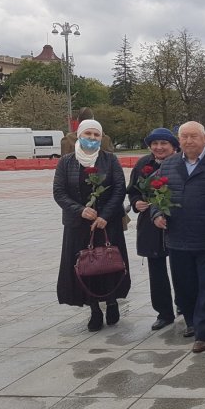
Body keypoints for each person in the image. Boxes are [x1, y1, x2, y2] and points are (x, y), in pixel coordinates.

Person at [153, 121, 205, 353]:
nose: (188, 141)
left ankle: (204, 332)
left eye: (194, 136)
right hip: (177, 237)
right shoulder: (168, 165)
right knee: (184, 286)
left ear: (204, 137)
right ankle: (193, 321)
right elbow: (156, 194)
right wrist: (156, 213)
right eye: (184, 136)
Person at [53, 119, 130, 331]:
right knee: (85, 266)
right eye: (88, 134)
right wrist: (80, 210)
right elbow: (59, 192)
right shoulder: (66, 162)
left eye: (96, 135)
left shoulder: (110, 160)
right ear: (79, 135)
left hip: (107, 223)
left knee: (109, 262)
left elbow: (119, 189)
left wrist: (104, 215)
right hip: (78, 225)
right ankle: (94, 308)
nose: (92, 139)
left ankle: (112, 301)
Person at [127, 127, 179, 330]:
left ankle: (184, 305)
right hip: (150, 223)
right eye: (154, 144)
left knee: (181, 268)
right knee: (156, 269)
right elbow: (132, 190)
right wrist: (136, 202)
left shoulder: (181, 163)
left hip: (177, 221)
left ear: (173, 146)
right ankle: (164, 312)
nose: (159, 147)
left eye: (163, 143)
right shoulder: (143, 164)